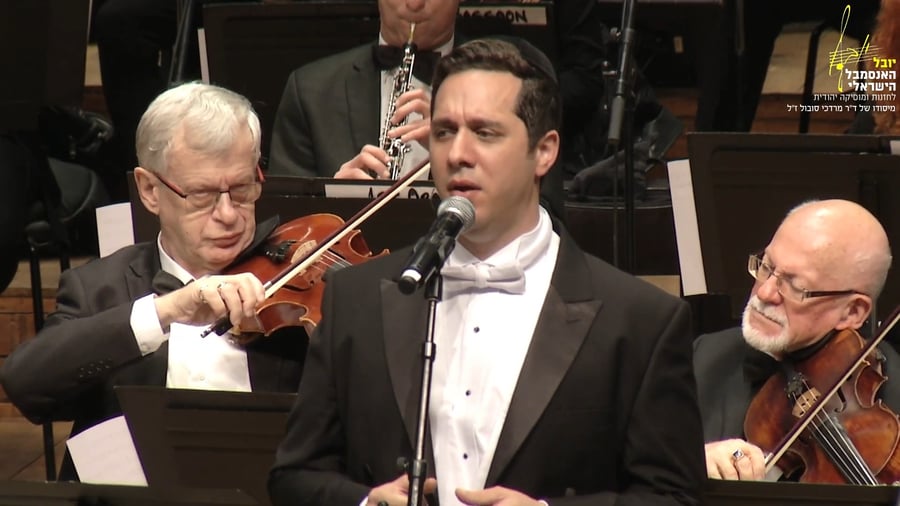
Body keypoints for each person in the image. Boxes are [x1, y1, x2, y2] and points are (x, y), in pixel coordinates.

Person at [268, 38, 704, 506]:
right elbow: (293, 477)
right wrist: (365, 503)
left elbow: (674, 497)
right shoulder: (354, 298)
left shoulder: (640, 321)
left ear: (544, 151)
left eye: (485, 133)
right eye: (443, 132)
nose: (458, 153)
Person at [0, 82, 306, 481]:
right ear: (150, 190)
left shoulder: (298, 284)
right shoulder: (98, 287)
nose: (229, 214)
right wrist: (167, 310)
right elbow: (25, 384)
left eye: (242, 187)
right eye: (201, 195)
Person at [268, 0, 608, 220]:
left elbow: (548, 216)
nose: (414, 4)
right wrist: (330, 204)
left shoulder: (517, 78)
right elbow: (282, 226)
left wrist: (455, 140)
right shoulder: (311, 89)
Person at [694, 199, 900, 481]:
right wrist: (692, 460)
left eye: (795, 286)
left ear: (852, 311)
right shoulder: (703, 357)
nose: (765, 293)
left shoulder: (893, 393)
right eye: (766, 267)